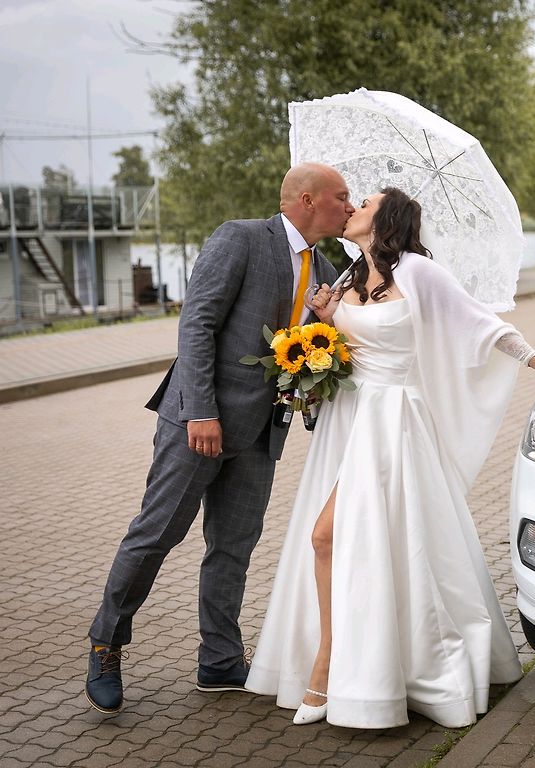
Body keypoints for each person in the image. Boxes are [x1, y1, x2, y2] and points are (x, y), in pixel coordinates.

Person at [245, 187, 535, 729]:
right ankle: (347, 662)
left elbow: (484, 325)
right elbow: (345, 347)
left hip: (393, 424)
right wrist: (324, 322)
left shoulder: (417, 271)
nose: (353, 208)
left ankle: (331, 666)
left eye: (364, 203)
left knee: (330, 537)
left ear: (385, 219)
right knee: (354, 542)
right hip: (349, 421)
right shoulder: (349, 276)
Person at [85, 163, 354, 714]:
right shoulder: (241, 239)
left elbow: (310, 353)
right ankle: (105, 644)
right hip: (199, 423)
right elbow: (197, 323)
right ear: (307, 200)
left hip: (261, 433)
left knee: (234, 547)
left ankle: (220, 659)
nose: (349, 207)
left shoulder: (327, 271)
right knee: (156, 533)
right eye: (341, 197)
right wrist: (201, 412)